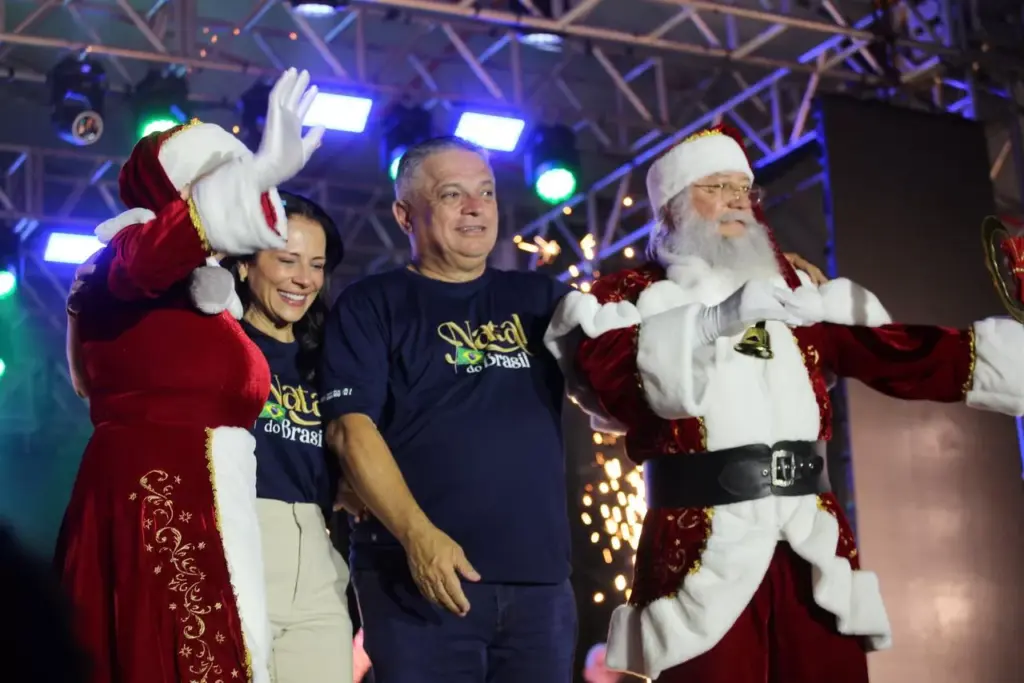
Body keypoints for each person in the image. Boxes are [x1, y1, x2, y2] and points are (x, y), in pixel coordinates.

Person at [315, 135, 827, 683]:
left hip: (540, 587)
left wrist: (755, 266)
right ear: (404, 215)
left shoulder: (542, 299)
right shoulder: (372, 303)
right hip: (419, 578)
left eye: (486, 192)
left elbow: (649, 310)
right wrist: (417, 536)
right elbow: (350, 430)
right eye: (451, 194)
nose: (475, 208)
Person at [545, 124, 1024, 683]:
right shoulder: (629, 294)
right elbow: (608, 375)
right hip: (700, 547)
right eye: (715, 186)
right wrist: (713, 323)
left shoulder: (796, 291)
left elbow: (894, 352)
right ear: (673, 206)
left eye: (742, 187)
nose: (735, 200)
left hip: (810, 538)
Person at [56, 68, 324, 683]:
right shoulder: (125, 256)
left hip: (209, 493)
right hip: (164, 493)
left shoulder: (205, 296)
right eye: (219, 182)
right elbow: (151, 258)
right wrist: (255, 176)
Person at [222, 191, 353, 682]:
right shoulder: (218, 346)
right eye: (287, 260)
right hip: (234, 548)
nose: (304, 279)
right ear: (243, 264)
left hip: (315, 557)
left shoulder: (330, 357)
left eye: (316, 265)